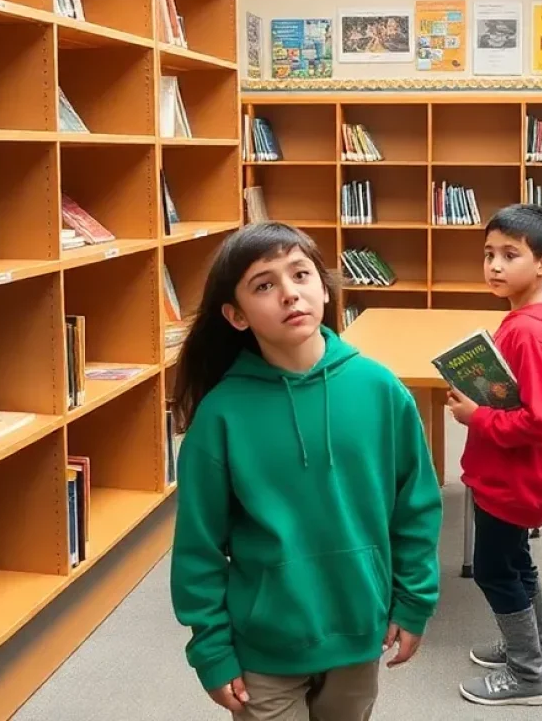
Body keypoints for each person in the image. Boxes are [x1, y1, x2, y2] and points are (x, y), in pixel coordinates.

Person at [170, 222, 443, 720]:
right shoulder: (221, 416)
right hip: (264, 646)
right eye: (264, 285)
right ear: (235, 315)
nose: (290, 293)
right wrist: (210, 649)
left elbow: (416, 507)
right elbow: (198, 545)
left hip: (359, 630)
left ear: (324, 287)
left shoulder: (380, 389)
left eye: (300, 274)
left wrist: (413, 602)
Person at [447, 204, 542, 708]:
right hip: (527, 475)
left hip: (512, 478)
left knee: (494, 570)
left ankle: (528, 674)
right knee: (515, 560)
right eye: (489, 254)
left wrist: (477, 417)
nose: (494, 265)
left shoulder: (529, 333)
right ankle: (539, 647)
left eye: (510, 255)